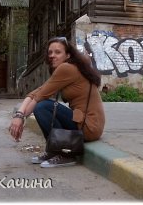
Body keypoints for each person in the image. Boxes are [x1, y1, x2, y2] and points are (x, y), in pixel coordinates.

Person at [8, 36, 105, 167]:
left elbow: (38, 98)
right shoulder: (70, 68)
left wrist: (20, 118)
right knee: (44, 105)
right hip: (87, 123)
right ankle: (54, 151)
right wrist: (19, 114)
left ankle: (66, 155)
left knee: (42, 107)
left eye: (58, 52)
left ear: (68, 55)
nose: (52, 56)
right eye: (50, 52)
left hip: (88, 126)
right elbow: (36, 93)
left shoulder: (67, 68)